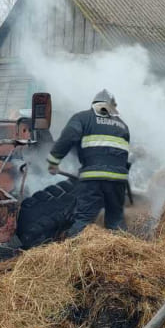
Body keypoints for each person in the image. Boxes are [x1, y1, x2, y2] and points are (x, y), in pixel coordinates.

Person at [47, 89, 130, 236]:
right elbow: (123, 156)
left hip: (93, 179)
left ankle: (72, 252)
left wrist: (54, 161)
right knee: (116, 221)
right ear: (111, 106)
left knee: (84, 218)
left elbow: (68, 138)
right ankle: (121, 253)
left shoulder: (82, 118)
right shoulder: (123, 125)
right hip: (117, 181)